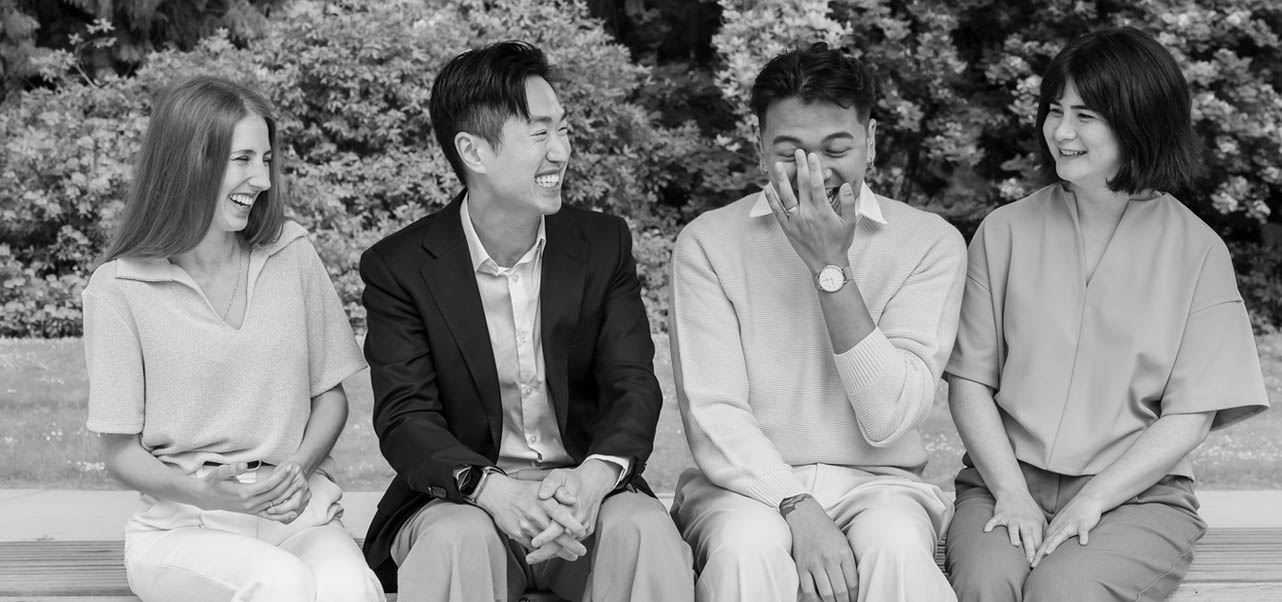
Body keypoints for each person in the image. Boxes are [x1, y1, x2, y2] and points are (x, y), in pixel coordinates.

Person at [358, 40, 694, 602]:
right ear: (473, 151)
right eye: (539, 134)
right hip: (465, 499)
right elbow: (405, 418)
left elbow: (632, 384)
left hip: (583, 495)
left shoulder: (602, 244)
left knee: (643, 529)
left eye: (563, 130)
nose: (561, 151)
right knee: (456, 540)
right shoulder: (399, 267)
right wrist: (491, 491)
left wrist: (594, 479)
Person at [944, 26, 1271, 602]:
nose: (1061, 132)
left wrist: (1094, 499)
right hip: (1004, 479)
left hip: (1136, 495)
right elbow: (969, 382)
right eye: (1054, 110)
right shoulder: (1004, 231)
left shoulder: (1198, 251)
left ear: (1140, 122)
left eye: (1086, 116)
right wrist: (1012, 493)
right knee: (985, 582)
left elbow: (1190, 416)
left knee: (1063, 591)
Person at [668, 42, 965, 602]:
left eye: (836, 148)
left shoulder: (929, 243)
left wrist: (831, 266)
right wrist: (795, 504)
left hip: (880, 487)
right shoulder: (708, 243)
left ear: (871, 142)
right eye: (790, 151)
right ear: (759, 147)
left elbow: (888, 418)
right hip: (743, 488)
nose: (814, 171)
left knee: (897, 547)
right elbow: (713, 411)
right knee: (747, 549)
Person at [82, 76, 383, 602]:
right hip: (185, 525)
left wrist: (298, 468)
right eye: (241, 159)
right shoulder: (118, 287)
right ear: (187, 162)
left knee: (352, 591)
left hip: (296, 516)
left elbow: (330, 396)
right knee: (281, 585)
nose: (261, 179)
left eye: (265, 159)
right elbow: (121, 451)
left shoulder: (291, 252)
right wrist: (204, 493)